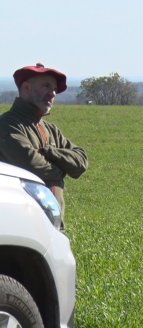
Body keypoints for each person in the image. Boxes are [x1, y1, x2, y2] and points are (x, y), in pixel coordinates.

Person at [0, 63, 88, 226]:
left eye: (55, 89)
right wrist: (64, 168)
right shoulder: (7, 125)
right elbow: (33, 166)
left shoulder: (50, 129)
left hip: (52, 224)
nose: (52, 93)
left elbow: (81, 162)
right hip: (21, 224)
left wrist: (51, 153)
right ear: (26, 88)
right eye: (46, 86)